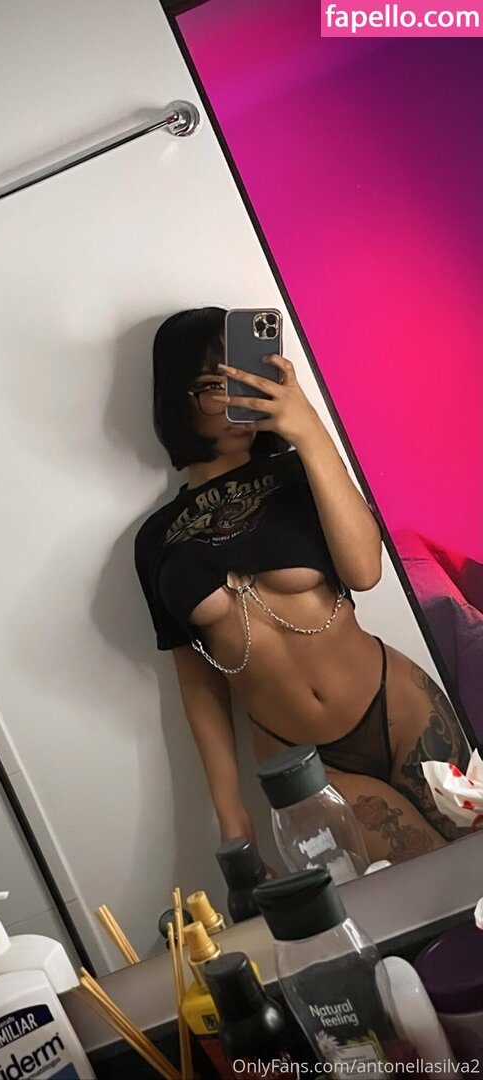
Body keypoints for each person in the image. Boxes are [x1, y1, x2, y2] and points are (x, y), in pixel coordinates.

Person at [134, 307, 471, 865]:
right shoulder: (155, 539)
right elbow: (198, 684)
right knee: (430, 892)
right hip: (304, 763)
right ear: (178, 396)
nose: (236, 397)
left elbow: (364, 572)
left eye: (246, 376)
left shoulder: (300, 473)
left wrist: (308, 430)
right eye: (214, 384)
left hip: (400, 707)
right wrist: (232, 816)